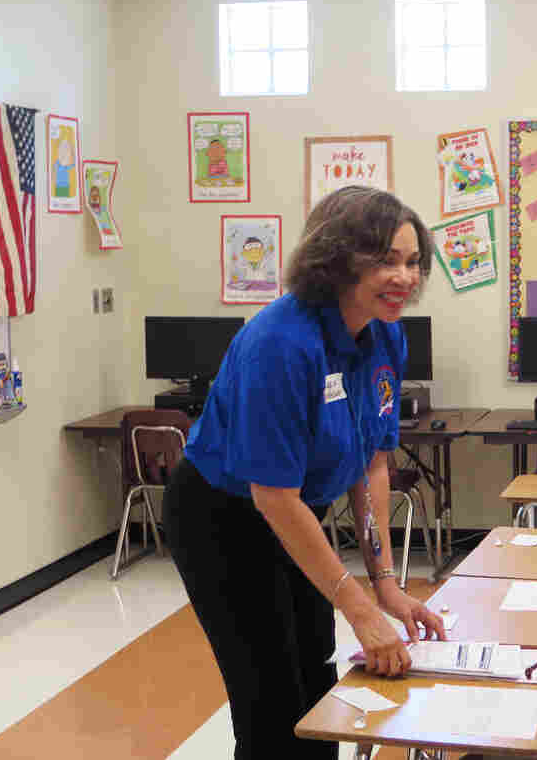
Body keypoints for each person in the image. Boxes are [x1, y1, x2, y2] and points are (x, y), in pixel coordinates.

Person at [163, 186, 446, 760]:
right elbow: (273, 497)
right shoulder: (280, 343)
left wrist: (385, 585)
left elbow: (372, 465)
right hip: (224, 519)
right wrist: (358, 608)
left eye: (413, 261)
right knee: (269, 696)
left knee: (316, 677)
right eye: (387, 260)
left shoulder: (385, 330)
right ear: (338, 258)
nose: (405, 277)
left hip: (297, 515)